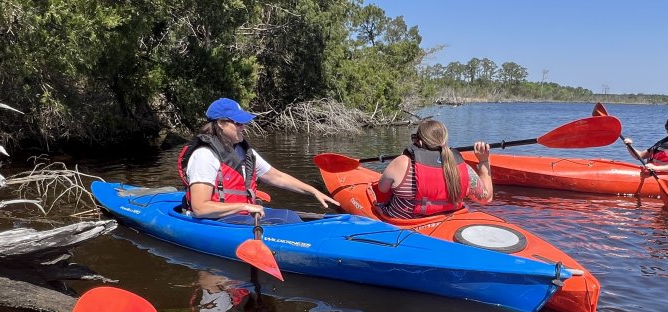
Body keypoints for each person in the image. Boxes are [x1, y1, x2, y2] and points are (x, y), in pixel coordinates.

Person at [176, 98, 338, 220]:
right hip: (219, 221)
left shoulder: (245, 152)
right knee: (283, 222)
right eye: (238, 123)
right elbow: (200, 208)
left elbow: (277, 177)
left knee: (289, 216)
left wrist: (313, 191)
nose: (243, 127)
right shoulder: (204, 155)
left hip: (243, 215)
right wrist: (245, 205)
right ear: (221, 123)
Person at [373, 118, 494, 219]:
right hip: (446, 222)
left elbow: (382, 189)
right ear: (444, 140)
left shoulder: (402, 162)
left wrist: (402, 157)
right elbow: (486, 198)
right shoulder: (462, 167)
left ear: (419, 142)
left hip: (405, 224)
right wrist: (483, 160)